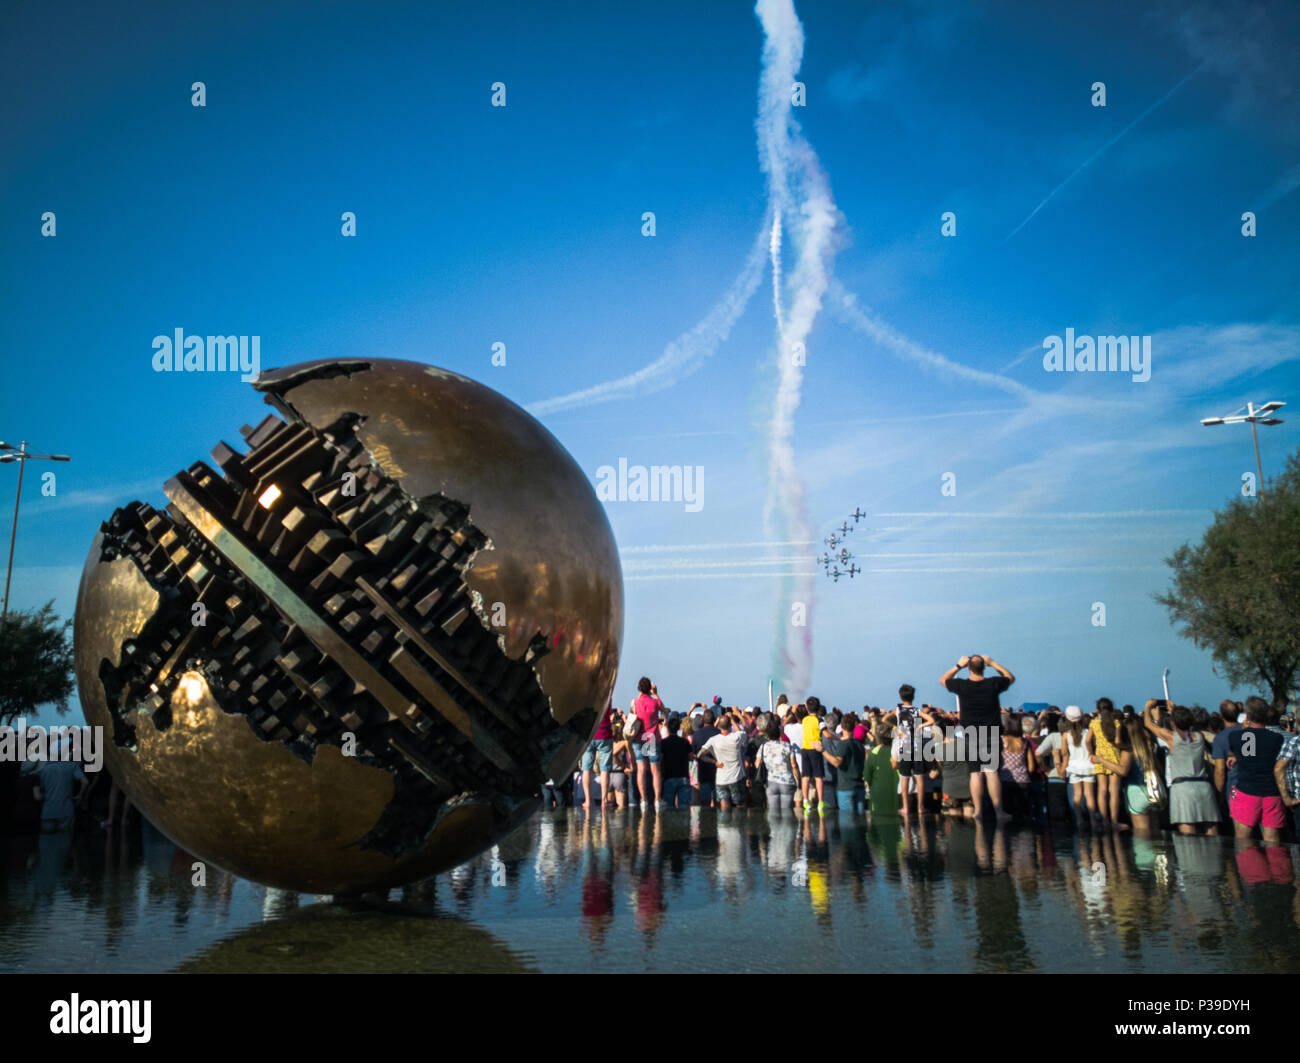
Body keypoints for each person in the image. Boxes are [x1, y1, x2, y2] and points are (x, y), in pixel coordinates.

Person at [940, 654, 1015, 821]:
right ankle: (998, 811)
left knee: (975, 773)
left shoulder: (962, 685)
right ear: (984, 667)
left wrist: (958, 666)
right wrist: (993, 662)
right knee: (991, 772)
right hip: (991, 732)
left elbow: (943, 679)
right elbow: (1010, 677)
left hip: (971, 733)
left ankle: (978, 811)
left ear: (969, 668)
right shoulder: (993, 683)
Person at [1144, 700, 1219, 835]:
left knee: (1188, 836)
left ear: (1173, 723)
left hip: (1182, 788)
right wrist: (1176, 711)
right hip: (1203, 786)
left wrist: (1148, 706)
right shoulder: (1199, 737)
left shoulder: (1171, 737)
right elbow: (1187, 726)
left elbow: (1148, 724)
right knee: (1211, 829)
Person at [1226, 695, 1285, 844]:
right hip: (1271, 792)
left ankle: (1250, 866)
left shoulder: (1236, 736)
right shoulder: (1277, 738)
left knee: (1243, 840)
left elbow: (1248, 751)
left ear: (1247, 715)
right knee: (1272, 841)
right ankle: (1277, 866)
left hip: (1246, 791)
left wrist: (1245, 728)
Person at [1086, 698, 1125, 830]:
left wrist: (1091, 753)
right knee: (1113, 791)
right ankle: (1114, 821)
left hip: (1099, 757)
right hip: (1114, 757)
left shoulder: (1094, 723)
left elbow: (1087, 740)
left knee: (1102, 790)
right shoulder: (1116, 722)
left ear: (1098, 710)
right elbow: (1118, 741)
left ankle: (1104, 821)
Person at [699, 715, 748, 810]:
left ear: (719, 727)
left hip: (721, 779)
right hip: (736, 777)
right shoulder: (736, 737)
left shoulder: (713, 740)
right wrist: (733, 721)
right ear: (730, 725)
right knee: (740, 805)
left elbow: (700, 754)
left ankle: (725, 824)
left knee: (724, 806)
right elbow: (742, 732)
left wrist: (714, 762)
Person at [1062, 706, 1098, 829]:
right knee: (1089, 795)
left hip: (1074, 766)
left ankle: (1079, 821)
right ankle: (1093, 821)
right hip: (1088, 766)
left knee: (1077, 795)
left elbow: (1065, 753)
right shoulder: (1088, 733)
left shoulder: (1066, 735)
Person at [893, 684, 926, 817]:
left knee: (905, 778)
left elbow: (884, 718)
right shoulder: (917, 710)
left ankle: (905, 807)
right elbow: (931, 719)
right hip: (917, 745)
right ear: (913, 696)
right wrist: (921, 725)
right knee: (920, 778)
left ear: (901, 696)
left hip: (905, 745)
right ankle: (920, 807)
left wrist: (898, 729)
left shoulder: (898, 710)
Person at [632, 677, 665, 809]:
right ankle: (657, 800)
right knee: (655, 770)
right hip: (651, 737)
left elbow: (633, 717)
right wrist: (655, 693)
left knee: (641, 770)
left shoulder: (635, 702)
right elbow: (663, 709)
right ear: (650, 689)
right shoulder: (655, 702)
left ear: (639, 689)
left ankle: (643, 800)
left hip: (639, 737)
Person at [821, 717, 866, 813]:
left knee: (847, 823)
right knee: (860, 823)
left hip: (846, 788)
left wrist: (822, 751)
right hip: (859, 787)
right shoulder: (859, 745)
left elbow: (837, 762)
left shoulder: (843, 744)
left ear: (841, 727)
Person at [758, 714, 799, 811]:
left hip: (771, 782)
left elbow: (757, 764)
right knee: (787, 811)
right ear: (779, 734)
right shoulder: (787, 746)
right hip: (787, 781)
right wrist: (798, 780)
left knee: (773, 812)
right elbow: (794, 765)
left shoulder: (764, 747)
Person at [581, 704, 615, 811]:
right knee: (604, 769)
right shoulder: (607, 695)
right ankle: (604, 800)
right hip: (604, 733)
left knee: (586, 769)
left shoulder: (586, 697)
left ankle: (587, 800)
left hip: (588, 734)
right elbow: (609, 713)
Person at [864, 724, 901, 815]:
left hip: (878, 795)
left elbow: (867, 777)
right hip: (897, 793)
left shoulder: (874, 752)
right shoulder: (898, 750)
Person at [659, 716, 693, 809]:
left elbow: (660, 759)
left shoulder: (664, 743)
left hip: (669, 777)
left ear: (668, 728)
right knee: (684, 808)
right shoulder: (684, 742)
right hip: (683, 776)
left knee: (669, 808)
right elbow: (691, 757)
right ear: (679, 728)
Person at [800, 697, 827, 813]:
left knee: (805, 777)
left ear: (807, 707)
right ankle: (821, 801)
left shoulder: (804, 719)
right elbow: (825, 733)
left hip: (805, 748)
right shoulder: (819, 720)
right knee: (818, 777)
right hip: (815, 748)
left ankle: (805, 800)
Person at [691, 709, 721, 807]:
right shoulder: (719, 733)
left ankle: (706, 820)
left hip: (703, 771)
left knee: (705, 802)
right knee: (718, 801)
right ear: (714, 720)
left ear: (703, 720)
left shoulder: (696, 735)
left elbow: (693, 753)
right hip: (718, 770)